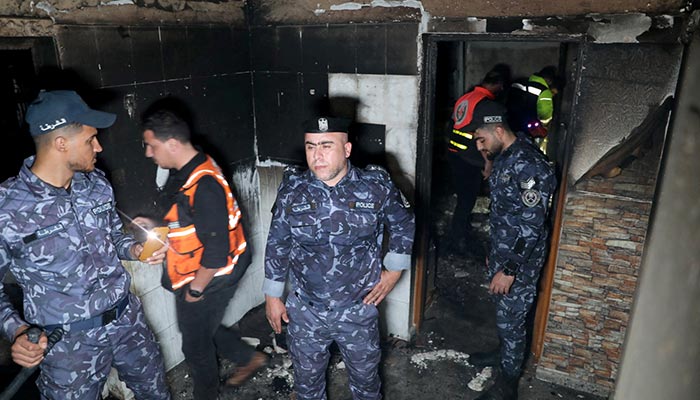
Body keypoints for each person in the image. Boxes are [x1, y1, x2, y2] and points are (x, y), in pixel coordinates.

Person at [0, 90, 171, 399]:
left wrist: (134, 250)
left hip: (127, 322)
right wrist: (17, 330)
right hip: (68, 345)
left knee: (156, 393)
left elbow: (112, 238)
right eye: (91, 139)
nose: (99, 146)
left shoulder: (95, 185)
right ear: (61, 143)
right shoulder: (7, 208)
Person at [264, 117, 415, 400]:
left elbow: (404, 224)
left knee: (366, 385)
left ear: (346, 149)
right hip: (306, 311)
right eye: (310, 147)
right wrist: (272, 295)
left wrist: (393, 270)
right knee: (307, 388)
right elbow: (278, 241)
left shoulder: (375, 186)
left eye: (325, 146)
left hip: (357, 309)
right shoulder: (292, 189)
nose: (317, 155)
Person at [136, 108, 267, 400]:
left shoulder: (204, 184)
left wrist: (196, 290)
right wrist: (158, 227)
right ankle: (249, 357)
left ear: (172, 144)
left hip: (214, 273)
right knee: (198, 329)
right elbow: (191, 220)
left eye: (151, 145)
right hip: (205, 268)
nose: (148, 153)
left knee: (194, 347)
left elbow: (216, 253)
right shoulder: (191, 169)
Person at [471, 100, 557, 400]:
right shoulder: (506, 156)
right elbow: (504, 214)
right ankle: (502, 353)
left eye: (482, 139)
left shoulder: (529, 164)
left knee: (513, 321)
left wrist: (509, 270)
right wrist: (494, 253)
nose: (480, 146)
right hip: (503, 253)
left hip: (519, 263)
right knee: (504, 315)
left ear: (498, 129)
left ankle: (507, 385)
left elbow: (532, 226)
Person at [444, 67, 506, 256]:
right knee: (466, 200)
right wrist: (489, 163)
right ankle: (457, 241)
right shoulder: (488, 106)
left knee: (464, 199)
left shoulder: (466, 97)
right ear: (498, 85)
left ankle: (460, 232)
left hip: (455, 154)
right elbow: (488, 139)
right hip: (471, 158)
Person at [506, 66, 558, 143]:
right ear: (550, 81)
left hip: (508, 122)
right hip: (526, 128)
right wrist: (544, 125)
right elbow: (545, 114)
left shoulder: (518, 82)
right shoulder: (544, 92)